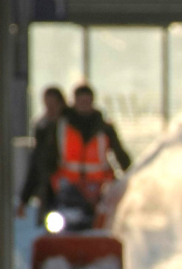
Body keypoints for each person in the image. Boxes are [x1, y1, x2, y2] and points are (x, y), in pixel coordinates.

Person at [48, 84, 131, 230]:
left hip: (100, 189)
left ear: (93, 102)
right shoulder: (61, 127)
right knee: (64, 224)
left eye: (87, 101)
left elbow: (120, 155)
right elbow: (49, 158)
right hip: (70, 188)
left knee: (104, 222)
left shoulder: (105, 128)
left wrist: (131, 175)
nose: (84, 105)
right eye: (81, 101)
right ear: (75, 102)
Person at [16, 86, 66, 224]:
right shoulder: (42, 128)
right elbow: (36, 164)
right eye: (47, 105)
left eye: (53, 104)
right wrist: (24, 199)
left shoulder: (70, 127)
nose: (50, 109)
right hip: (49, 191)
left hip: (70, 188)